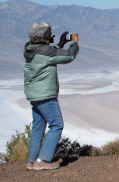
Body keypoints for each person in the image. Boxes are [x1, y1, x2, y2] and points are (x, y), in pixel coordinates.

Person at [23, 22, 79, 170]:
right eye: (49, 35)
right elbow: (69, 56)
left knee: (38, 127)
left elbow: (50, 55)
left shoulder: (30, 50)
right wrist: (74, 43)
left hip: (34, 95)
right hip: (45, 95)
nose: (51, 37)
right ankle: (42, 161)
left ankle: (32, 161)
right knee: (56, 125)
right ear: (44, 37)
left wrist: (59, 44)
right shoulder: (46, 52)